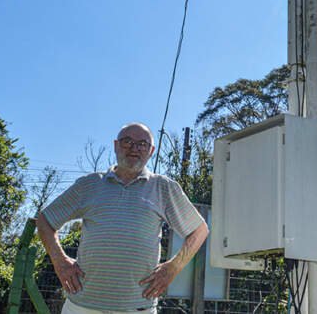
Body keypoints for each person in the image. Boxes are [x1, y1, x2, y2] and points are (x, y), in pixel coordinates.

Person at [37, 122, 209, 314]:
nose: (134, 148)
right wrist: (60, 261)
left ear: (151, 150)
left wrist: (173, 268)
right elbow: (45, 220)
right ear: (116, 145)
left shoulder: (163, 188)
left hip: (137, 307)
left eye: (142, 144)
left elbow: (199, 231)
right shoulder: (90, 184)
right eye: (127, 141)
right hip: (82, 305)